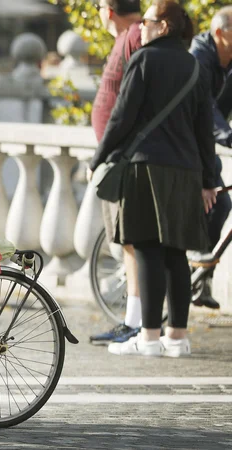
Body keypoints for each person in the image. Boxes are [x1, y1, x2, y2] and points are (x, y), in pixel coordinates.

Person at [89, 0, 216, 358]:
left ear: (163, 26)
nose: (140, 27)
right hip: (187, 171)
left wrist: (98, 159)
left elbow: (121, 119)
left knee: (146, 248)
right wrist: (209, 179)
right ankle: (176, 337)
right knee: (176, 252)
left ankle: (148, 336)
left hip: (147, 168)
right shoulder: (195, 66)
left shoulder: (143, 60)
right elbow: (203, 130)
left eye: (146, 21)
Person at [88, 0, 145, 346]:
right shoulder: (129, 37)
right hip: (121, 156)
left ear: (108, 9)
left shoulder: (134, 37)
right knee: (129, 243)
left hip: (126, 158)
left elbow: (132, 103)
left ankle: (136, 323)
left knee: (132, 243)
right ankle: (135, 321)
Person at [187, 5, 232, 309]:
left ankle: (200, 281)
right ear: (220, 33)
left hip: (207, 146)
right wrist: (228, 136)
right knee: (203, 205)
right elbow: (205, 108)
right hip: (186, 145)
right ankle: (181, 273)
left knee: (221, 205)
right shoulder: (198, 56)